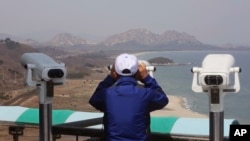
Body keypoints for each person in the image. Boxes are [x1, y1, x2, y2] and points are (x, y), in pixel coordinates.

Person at [89, 53, 168, 141]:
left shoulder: (107, 94)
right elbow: (163, 100)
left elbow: (94, 100)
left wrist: (110, 78)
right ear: (137, 72)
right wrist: (146, 78)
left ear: (115, 72)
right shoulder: (145, 94)